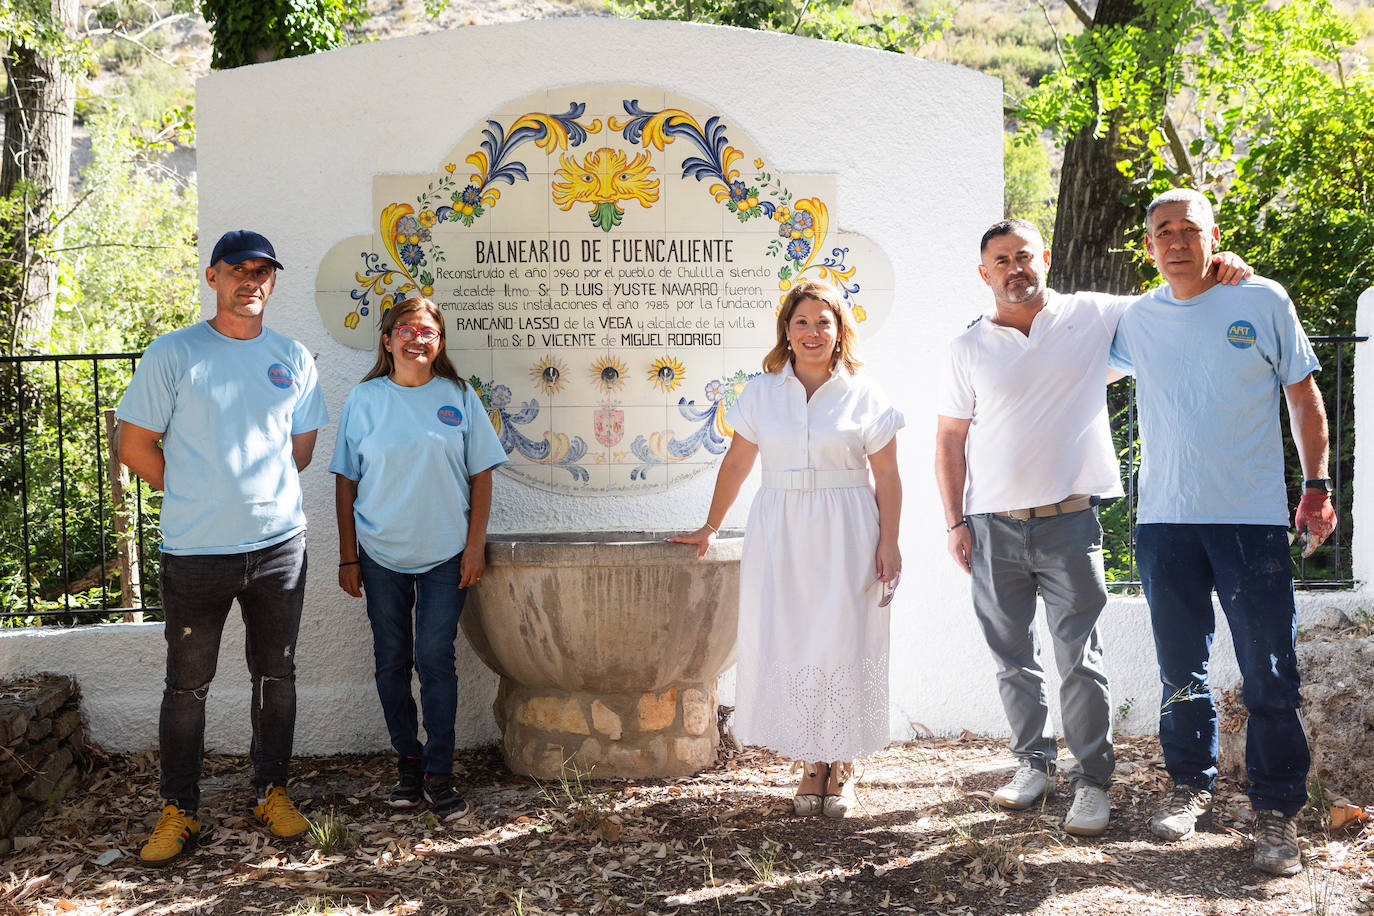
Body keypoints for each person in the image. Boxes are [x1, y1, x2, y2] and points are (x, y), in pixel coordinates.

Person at [935, 219, 1253, 837]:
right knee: (1012, 658)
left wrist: (1221, 266)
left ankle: (1092, 781)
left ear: (1044, 258)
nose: (1014, 268)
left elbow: (1173, 299)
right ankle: (1031, 764)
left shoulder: (1092, 316)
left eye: (1023, 256)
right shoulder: (967, 348)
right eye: (1001, 260)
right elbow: (949, 439)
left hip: (1069, 523)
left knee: (1079, 657)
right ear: (984, 273)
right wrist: (953, 521)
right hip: (991, 525)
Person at [1109, 188, 1335, 876]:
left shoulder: (1261, 299)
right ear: (1148, 246)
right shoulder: (1134, 320)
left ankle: (1275, 812)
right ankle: (1188, 786)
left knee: (1270, 673)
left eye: (1189, 229)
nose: (1176, 241)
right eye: (1163, 231)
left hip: (1251, 520)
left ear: (1214, 236)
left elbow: (1303, 394)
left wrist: (1318, 486)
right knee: (1182, 669)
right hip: (1165, 523)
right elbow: (1058, 354)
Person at [117, 229, 329, 866]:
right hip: (196, 552)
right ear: (213, 278)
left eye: (263, 271)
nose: (252, 281)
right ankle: (179, 810)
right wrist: (195, 492)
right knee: (187, 687)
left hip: (278, 550)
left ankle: (271, 793)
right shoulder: (175, 353)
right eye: (239, 269)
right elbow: (133, 446)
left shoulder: (293, 356)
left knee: (277, 675)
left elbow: (301, 450)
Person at [671, 278, 903, 818]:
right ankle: (809, 765)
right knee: (795, 637)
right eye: (801, 321)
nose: (813, 331)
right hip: (781, 527)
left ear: (840, 329)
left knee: (841, 638)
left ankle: (841, 765)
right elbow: (737, 462)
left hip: (847, 525)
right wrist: (711, 525)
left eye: (824, 321)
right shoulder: (762, 391)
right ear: (786, 330)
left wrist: (889, 542)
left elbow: (888, 476)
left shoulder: (866, 392)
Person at [331, 297, 507, 821]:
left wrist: (474, 546)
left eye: (428, 331)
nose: (417, 338)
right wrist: (348, 558)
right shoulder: (364, 400)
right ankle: (408, 765)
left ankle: (440, 773)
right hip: (380, 554)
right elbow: (345, 479)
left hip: (446, 555)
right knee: (392, 661)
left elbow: (482, 476)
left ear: (440, 342)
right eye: (405, 330)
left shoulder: (459, 396)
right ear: (387, 342)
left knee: (435, 660)